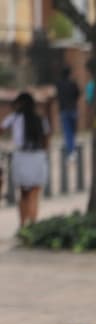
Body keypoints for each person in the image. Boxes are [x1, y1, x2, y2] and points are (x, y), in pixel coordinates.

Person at [2, 91, 49, 228]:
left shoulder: (14, 118)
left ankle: (23, 224)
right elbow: (47, 138)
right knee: (34, 194)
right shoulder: (41, 119)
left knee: (23, 194)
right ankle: (33, 225)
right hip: (37, 156)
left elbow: (1, 128)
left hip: (21, 156)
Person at [56, 66, 81, 157]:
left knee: (67, 131)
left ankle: (70, 150)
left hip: (63, 110)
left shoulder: (59, 83)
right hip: (73, 109)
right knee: (73, 130)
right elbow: (77, 94)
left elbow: (58, 96)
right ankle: (72, 148)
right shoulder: (73, 83)